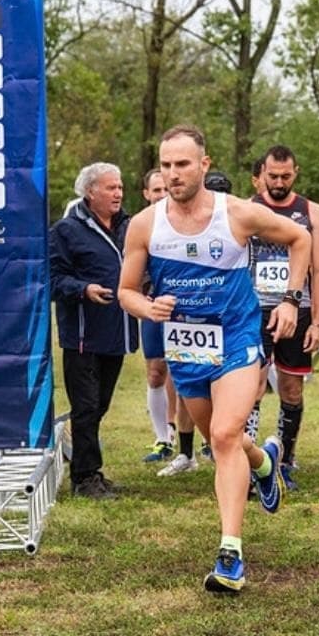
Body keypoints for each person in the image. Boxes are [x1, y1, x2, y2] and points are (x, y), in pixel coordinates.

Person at [118, 125, 311, 593]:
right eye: (165, 165)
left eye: (182, 164)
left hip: (238, 338)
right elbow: (126, 291)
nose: (173, 174)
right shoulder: (145, 224)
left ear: (204, 165)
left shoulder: (238, 214)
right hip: (186, 347)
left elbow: (300, 239)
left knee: (225, 434)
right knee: (220, 442)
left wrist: (289, 300)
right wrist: (148, 307)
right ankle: (264, 463)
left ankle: (231, 555)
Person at [50, 162, 139, 500]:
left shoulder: (128, 227)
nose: (118, 193)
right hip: (83, 337)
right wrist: (84, 289)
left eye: (119, 187)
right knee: (86, 408)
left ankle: (89, 470)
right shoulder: (66, 231)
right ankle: (84, 479)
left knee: (98, 407)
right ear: (90, 192)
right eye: (110, 188)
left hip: (117, 333)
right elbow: (54, 280)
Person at [250, 145, 319, 490]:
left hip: (299, 309)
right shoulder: (247, 208)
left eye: (285, 175)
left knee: (292, 387)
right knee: (250, 386)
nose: (278, 182)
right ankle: (250, 458)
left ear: (295, 172)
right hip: (255, 310)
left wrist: (318, 322)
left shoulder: (312, 212)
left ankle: (285, 459)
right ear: (262, 174)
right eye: (272, 175)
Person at [139, 169, 178, 464]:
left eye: (166, 189)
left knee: (191, 369)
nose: (162, 195)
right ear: (146, 194)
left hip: (189, 307)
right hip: (152, 307)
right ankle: (162, 439)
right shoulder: (140, 226)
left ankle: (194, 438)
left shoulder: (188, 222)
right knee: (156, 372)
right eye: (156, 190)